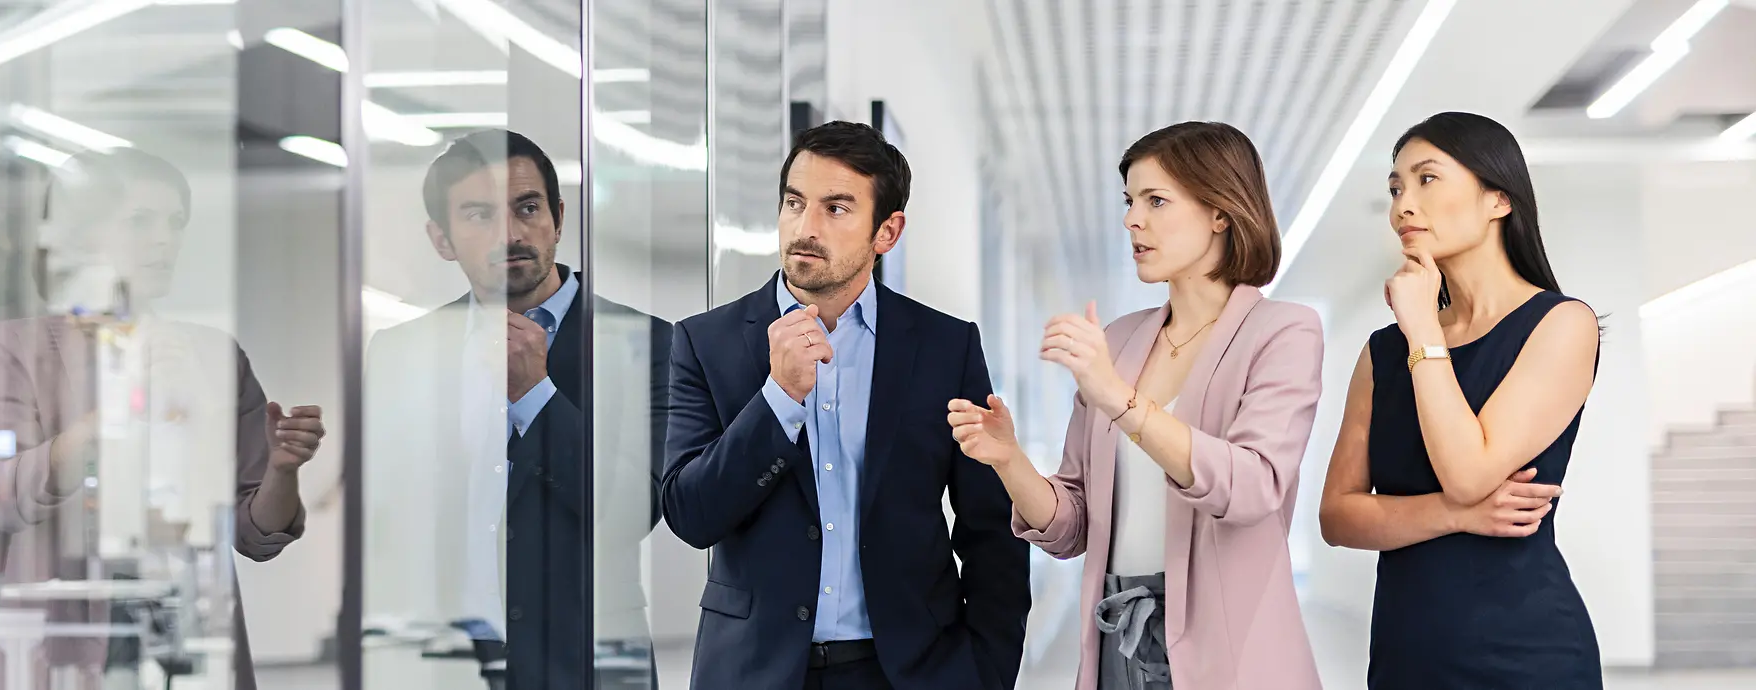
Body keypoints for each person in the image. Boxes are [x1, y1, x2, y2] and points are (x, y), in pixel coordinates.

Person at [949, 121, 1325, 690]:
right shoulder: (1121, 340)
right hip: (1116, 638)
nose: (1132, 220)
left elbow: (1253, 486)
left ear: (1220, 212)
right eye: (1129, 201)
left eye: (1156, 200)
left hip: (1228, 648)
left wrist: (1118, 399)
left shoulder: (1283, 331)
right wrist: (1009, 459)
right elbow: (1072, 526)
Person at [662, 120, 1032, 690]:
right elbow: (691, 515)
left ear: (887, 231)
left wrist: (984, 672)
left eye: (835, 209)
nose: (805, 228)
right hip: (753, 672)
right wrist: (779, 398)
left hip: (909, 672)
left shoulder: (945, 347)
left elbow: (992, 529)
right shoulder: (705, 342)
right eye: (794, 203)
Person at [0, 148, 320, 690]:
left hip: (186, 635)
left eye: (175, 222)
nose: (164, 240)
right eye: (140, 221)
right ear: (82, 234)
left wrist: (281, 470)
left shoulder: (212, 354)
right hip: (61, 644)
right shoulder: (15, 349)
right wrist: (117, 406)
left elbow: (256, 535)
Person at [359, 129, 669, 689]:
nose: (510, 234)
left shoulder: (644, 342)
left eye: (527, 208)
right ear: (442, 239)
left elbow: (634, 510)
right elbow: (387, 516)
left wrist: (535, 393)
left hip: (585, 660)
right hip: (440, 664)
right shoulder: (401, 351)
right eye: (478, 215)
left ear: (558, 217)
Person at [1317, 111, 1602, 688]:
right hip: (1406, 654)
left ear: (1498, 199)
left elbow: (1469, 473)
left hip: (1527, 655)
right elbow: (1337, 516)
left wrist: (1423, 327)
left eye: (1426, 179)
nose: (1403, 206)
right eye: (1395, 188)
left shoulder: (1562, 323)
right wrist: (1455, 516)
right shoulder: (1383, 352)